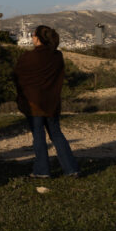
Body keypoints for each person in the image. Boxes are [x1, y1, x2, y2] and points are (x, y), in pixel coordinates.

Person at [13, 25, 80, 178]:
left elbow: (18, 76)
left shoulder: (28, 57)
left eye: (33, 35)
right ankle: (71, 169)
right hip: (51, 102)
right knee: (56, 134)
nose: (31, 38)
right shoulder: (57, 56)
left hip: (33, 103)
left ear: (37, 38)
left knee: (38, 135)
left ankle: (42, 170)